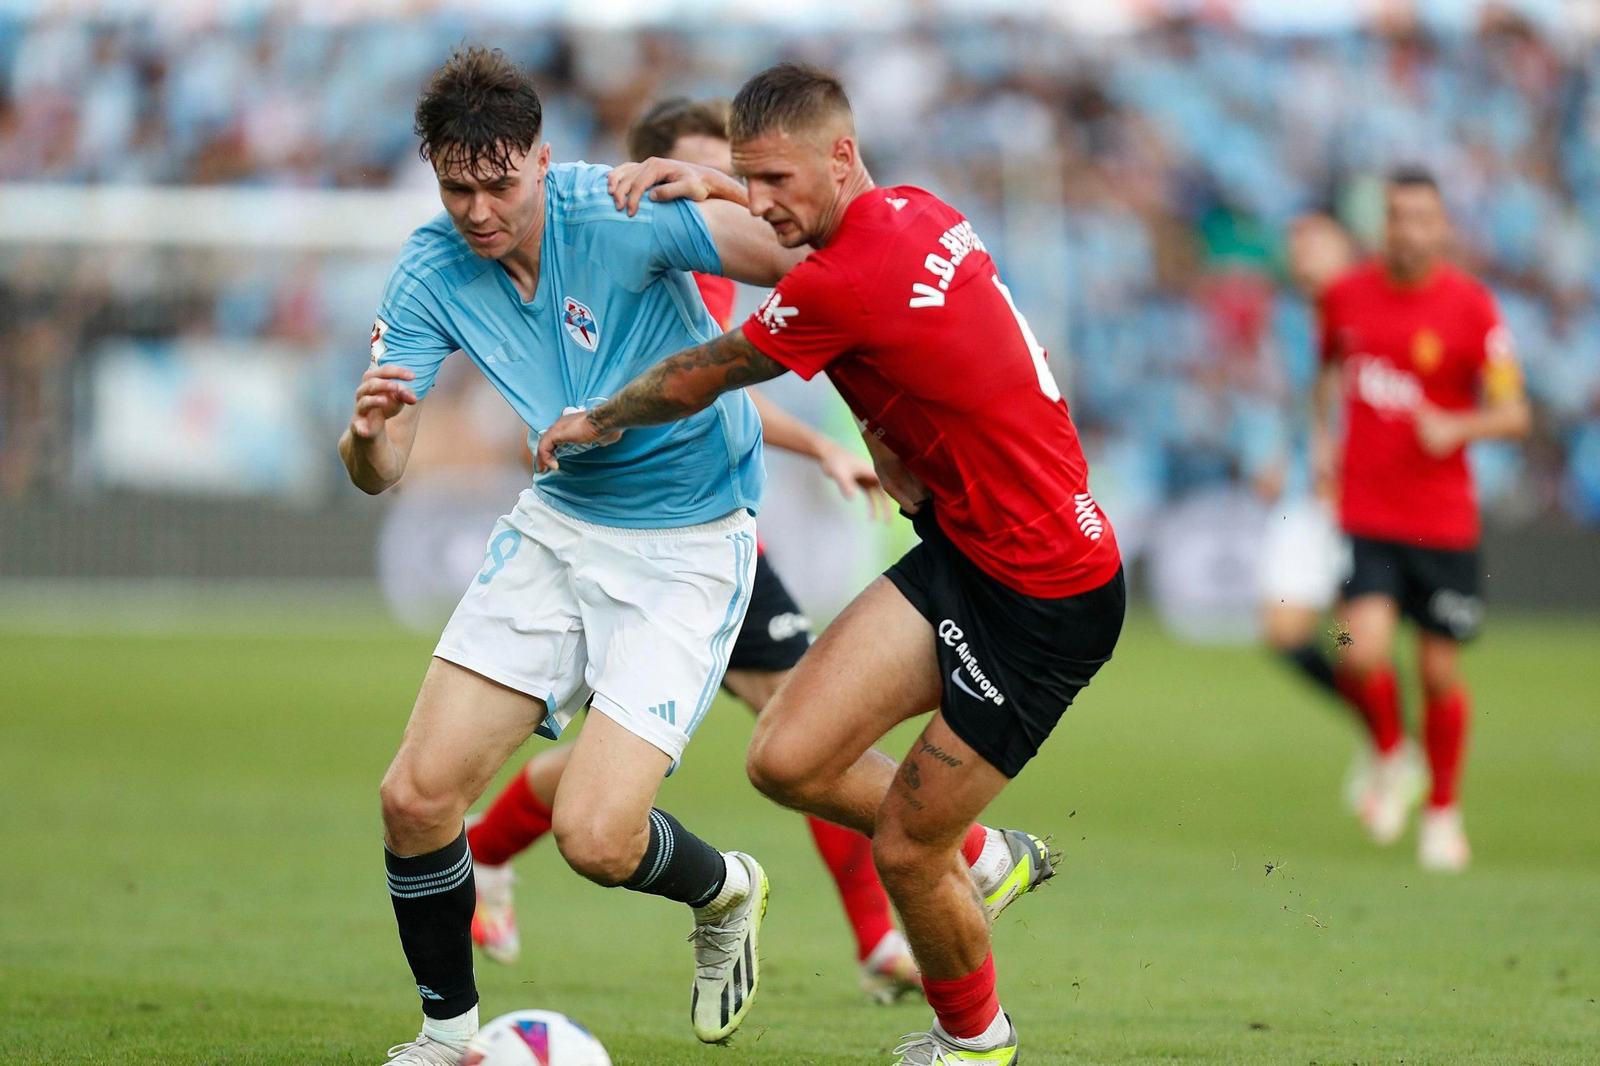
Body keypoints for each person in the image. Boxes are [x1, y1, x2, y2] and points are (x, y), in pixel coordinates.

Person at [539, 63, 1125, 1066]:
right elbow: (852, 298)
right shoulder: (911, 211)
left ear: (840, 156)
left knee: (904, 846)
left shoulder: (842, 282)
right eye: (747, 179)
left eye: (775, 179)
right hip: (966, 554)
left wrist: (594, 418)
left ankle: (976, 1040)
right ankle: (989, 859)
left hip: (1044, 597)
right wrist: (723, 189)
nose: (763, 202)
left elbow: (703, 374)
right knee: (783, 757)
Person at [339, 48, 812, 1063]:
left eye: (497, 182)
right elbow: (381, 468)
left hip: (688, 542)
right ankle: (443, 1036)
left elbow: (814, 264)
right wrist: (368, 433)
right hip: (559, 523)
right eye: (454, 186)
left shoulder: (622, 210)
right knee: (414, 798)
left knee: (597, 840)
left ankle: (724, 886)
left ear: (542, 160)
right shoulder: (430, 266)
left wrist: (725, 185)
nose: (475, 208)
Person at [465, 96, 925, 1006]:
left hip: (700, 536)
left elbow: (718, 386)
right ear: (644, 177)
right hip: (661, 539)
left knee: (649, 751)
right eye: (706, 169)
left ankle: (481, 853)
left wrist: (822, 445)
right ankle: (880, 936)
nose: (734, 195)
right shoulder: (642, 249)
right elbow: (685, 386)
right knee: (805, 725)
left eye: (741, 175)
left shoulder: (714, 258)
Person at [1313, 166, 1531, 871]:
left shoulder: (1471, 308)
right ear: (1383, 223)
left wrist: (1458, 426)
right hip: (1366, 514)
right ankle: (1389, 751)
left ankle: (1443, 811)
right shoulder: (1344, 296)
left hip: (1441, 524)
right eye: (1396, 215)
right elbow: (1324, 374)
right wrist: (1322, 443)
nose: (1406, 228)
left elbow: (1515, 410)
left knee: (1439, 672)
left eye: (1420, 217)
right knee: (1353, 646)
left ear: (1440, 227)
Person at [1256, 213, 1359, 719]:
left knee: (1355, 638)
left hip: (1363, 494)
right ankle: (1381, 725)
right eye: (1295, 243)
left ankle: (1391, 739)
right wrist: (1277, 453)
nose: (1302, 253)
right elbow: (1294, 397)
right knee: (1283, 631)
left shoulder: (1372, 308)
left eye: (1314, 241)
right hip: (1308, 490)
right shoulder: (1290, 318)